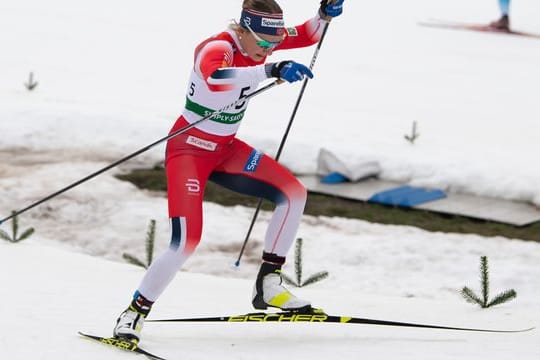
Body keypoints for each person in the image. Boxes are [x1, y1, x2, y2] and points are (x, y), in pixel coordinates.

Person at [113, 0, 345, 343]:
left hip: (226, 149)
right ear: (244, 30)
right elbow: (218, 78)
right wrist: (271, 70)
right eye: (263, 43)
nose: (267, 48)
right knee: (186, 241)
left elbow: (309, 34)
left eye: (273, 43)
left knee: (294, 193)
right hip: (189, 150)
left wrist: (324, 13)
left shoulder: (265, 39)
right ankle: (133, 313)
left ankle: (269, 283)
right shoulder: (218, 47)